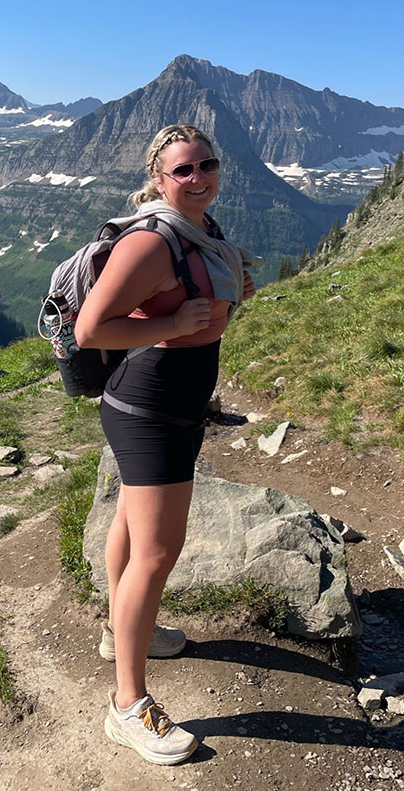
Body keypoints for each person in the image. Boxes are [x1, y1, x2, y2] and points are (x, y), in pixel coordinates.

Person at [75, 123, 259, 765]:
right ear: (158, 178)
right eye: (182, 169)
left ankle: (123, 632)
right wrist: (176, 322)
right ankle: (128, 705)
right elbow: (90, 327)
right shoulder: (153, 241)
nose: (198, 177)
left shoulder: (206, 236)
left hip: (177, 402)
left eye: (206, 164)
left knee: (132, 520)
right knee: (158, 551)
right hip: (148, 406)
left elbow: (209, 300)